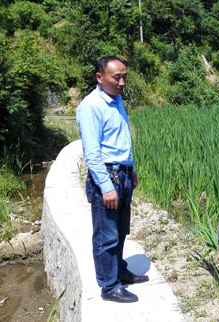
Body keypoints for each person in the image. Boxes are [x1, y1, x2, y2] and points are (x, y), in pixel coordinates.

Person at [77, 56, 148, 303]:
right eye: (116, 77)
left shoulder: (116, 101)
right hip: (108, 177)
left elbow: (122, 139)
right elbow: (92, 151)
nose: (122, 82)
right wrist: (106, 186)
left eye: (124, 77)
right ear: (100, 77)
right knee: (106, 235)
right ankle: (109, 286)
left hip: (124, 174)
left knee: (120, 230)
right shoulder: (91, 106)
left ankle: (119, 270)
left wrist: (133, 168)